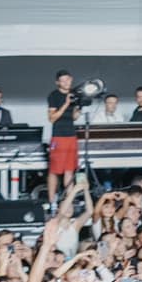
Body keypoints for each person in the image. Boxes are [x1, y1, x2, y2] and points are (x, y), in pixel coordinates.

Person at [46, 70, 79, 209]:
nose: (66, 83)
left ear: (71, 79)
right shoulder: (53, 95)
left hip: (71, 135)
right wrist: (66, 104)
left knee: (69, 170)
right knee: (54, 171)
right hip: (58, 136)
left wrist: (78, 108)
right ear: (57, 82)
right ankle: (52, 201)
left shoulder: (75, 94)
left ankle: (69, 202)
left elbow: (75, 117)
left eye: (68, 80)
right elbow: (52, 118)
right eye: (63, 80)